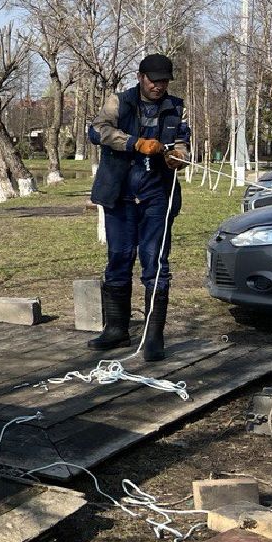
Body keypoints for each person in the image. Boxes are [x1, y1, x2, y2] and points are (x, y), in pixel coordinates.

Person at [86, 53, 190, 361]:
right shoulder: (117, 102)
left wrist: (178, 157)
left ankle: (153, 337)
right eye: (154, 80)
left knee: (154, 262)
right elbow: (97, 132)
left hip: (158, 195)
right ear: (140, 77)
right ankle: (116, 331)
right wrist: (134, 143)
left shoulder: (177, 108)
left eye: (164, 81)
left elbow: (183, 143)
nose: (159, 86)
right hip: (119, 194)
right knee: (119, 259)